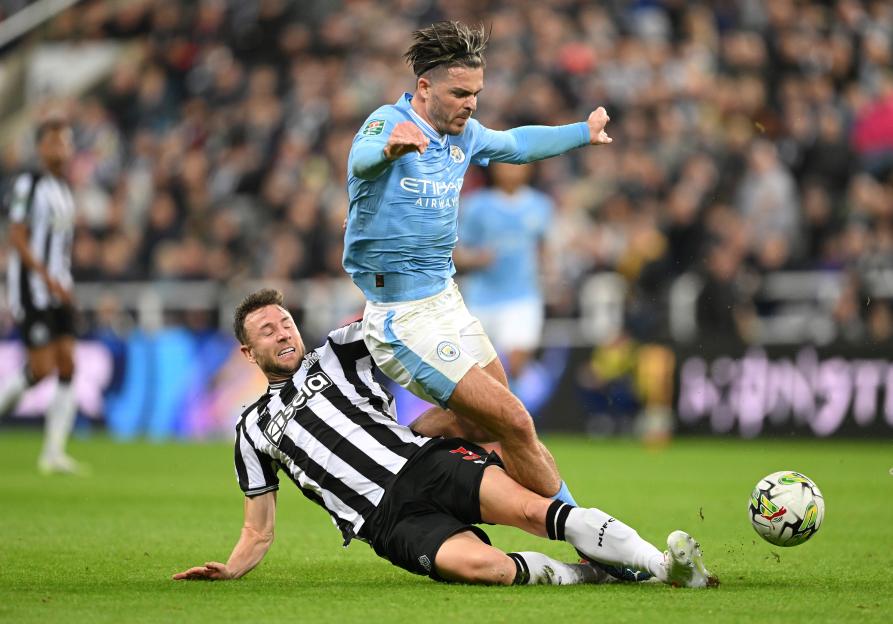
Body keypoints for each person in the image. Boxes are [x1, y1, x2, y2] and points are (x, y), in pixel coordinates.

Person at [172, 289, 717, 588]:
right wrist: (230, 568)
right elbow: (257, 528)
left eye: (285, 322)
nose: (283, 333)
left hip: (424, 463)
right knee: (485, 569)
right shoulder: (250, 427)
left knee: (534, 512)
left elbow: (400, 322)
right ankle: (589, 575)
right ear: (248, 353)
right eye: (267, 331)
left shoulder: (337, 352)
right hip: (386, 524)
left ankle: (665, 566)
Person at [343, 21, 612, 503]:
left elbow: (517, 145)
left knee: (491, 419)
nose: (471, 104)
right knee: (512, 420)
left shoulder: (463, 135)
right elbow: (362, 158)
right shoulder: (389, 122)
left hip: (447, 300)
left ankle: (391, 458)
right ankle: (587, 530)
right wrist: (390, 149)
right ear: (424, 88)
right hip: (401, 315)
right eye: (460, 92)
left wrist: (582, 133)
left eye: (477, 93)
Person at [0, 118, 84, 474]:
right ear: (40, 148)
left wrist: (63, 281)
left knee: (68, 363)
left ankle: (53, 453)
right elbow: (17, 236)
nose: (60, 149)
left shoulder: (64, 188)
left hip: (59, 287)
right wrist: (47, 277)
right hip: (32, 288)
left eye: (65, 142)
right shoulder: (28, 184)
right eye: (53, 143)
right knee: (42, 367)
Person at [455, 162, 552, 385]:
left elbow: (544, 248)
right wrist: (476, 259)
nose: (511, 170)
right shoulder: (476, 206)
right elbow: (457, 253)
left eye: (518, 164)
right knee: (478, 372)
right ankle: (487, 417)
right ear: (494, 168)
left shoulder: (540, 205)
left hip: (522, 296)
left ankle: (510, 416)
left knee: (515, 365)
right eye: (505, 164)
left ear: (529, 168)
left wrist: (549, 275)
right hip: (482, 297)